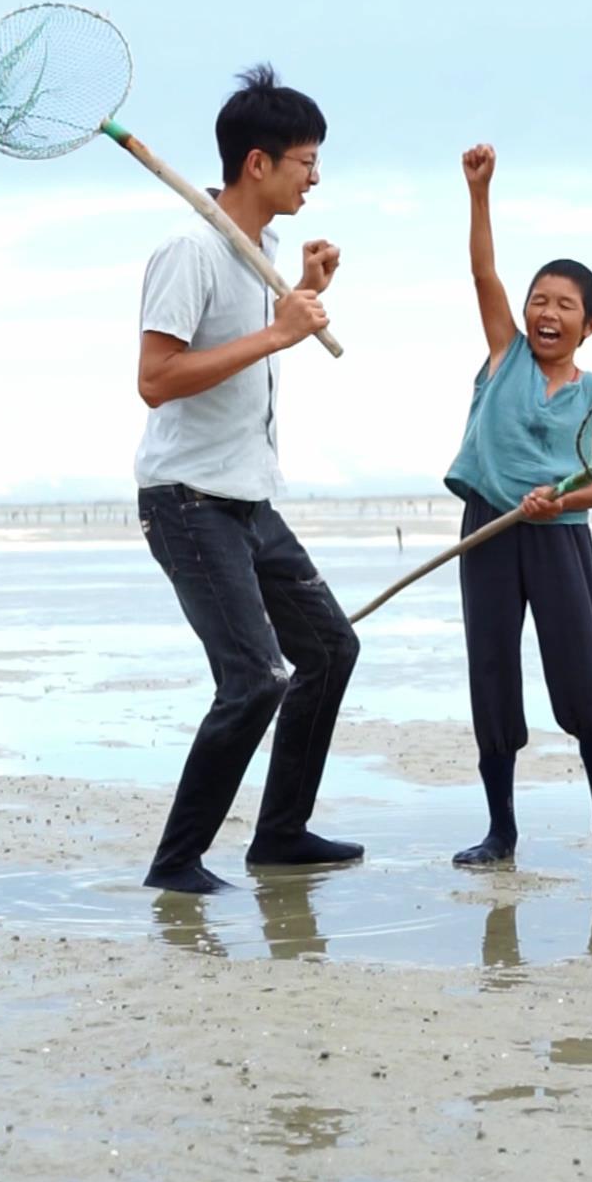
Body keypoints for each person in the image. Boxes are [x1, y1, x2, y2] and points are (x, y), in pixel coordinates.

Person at [135, 65, 362, 895]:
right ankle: (176, 861)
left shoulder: (259, 249)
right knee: (255, 679)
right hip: (186, 501)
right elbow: (157, 379)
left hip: (247, 499)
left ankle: (280, 835)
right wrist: (280, 336)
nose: (316, 178)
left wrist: (303, 295)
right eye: (306, 161)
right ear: (258, 163)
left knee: (331, 650)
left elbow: (260, 334)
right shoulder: (189, 250)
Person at [444, 143, 592, 868]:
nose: (546, 313)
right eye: (540, 301)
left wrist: (553, 501)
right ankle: (501, 832)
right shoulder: (505, 356)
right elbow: (482, 273)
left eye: (565, 305)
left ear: (590, 323)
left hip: (559, 539)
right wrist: (479, 193)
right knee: (493, 674)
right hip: (488, 535)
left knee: (587, 681)